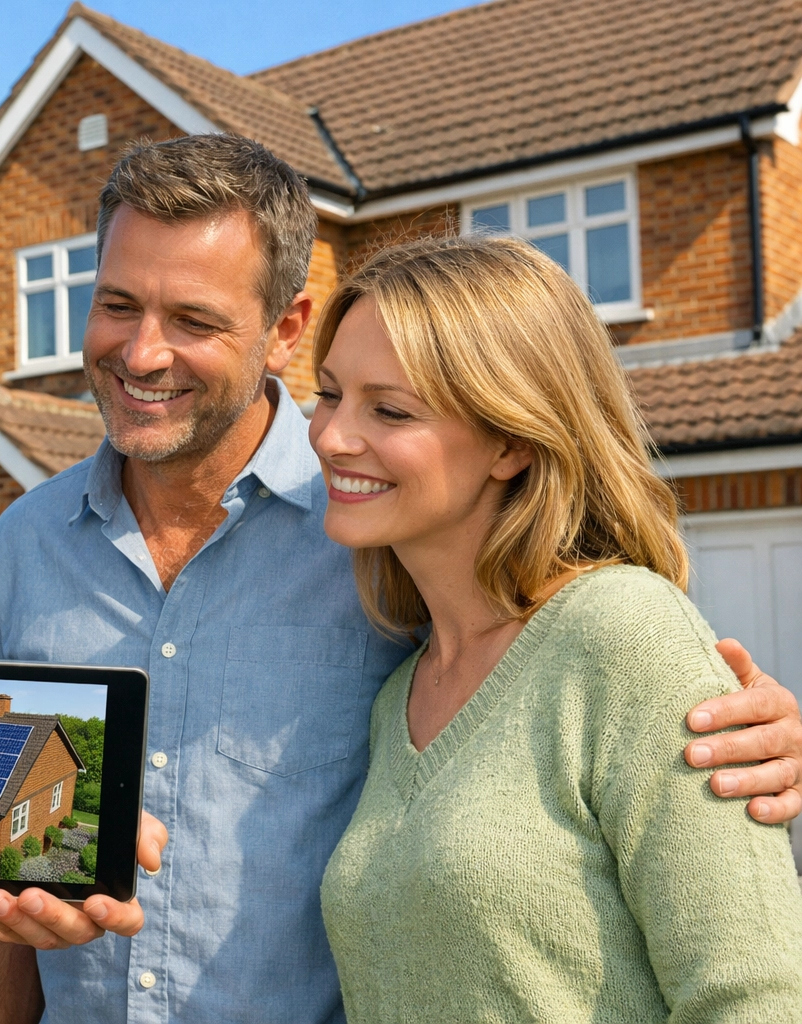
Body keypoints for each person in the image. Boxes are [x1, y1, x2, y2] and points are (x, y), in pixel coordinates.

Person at [0, 134, 802, 1024]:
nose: (143, 353)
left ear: (284, 330)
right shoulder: (20, 550)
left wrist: (721, 728)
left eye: (195, 320)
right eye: (117, 304)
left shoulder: (383, 530)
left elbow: (583, 676)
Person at [314, 235, 802, 1019]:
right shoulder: (397, 694)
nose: (331, 436)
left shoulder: (626, 635)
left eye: (390, 410)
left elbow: (756, 996)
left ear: (511, 440)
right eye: (329, 394)